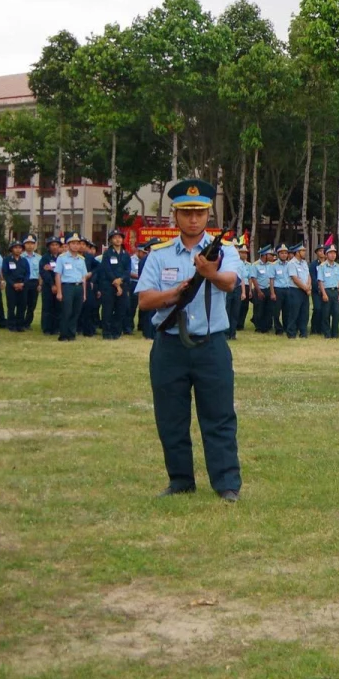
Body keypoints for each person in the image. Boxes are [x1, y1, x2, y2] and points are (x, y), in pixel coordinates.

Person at [135, 179, 244, 501]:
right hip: (170, 346)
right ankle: (180, 480)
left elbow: (230, 283)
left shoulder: (224, 251)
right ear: (176, 215)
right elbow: (145, 300)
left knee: (220, 416)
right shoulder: (159, 254)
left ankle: (226, 484)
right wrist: (174, 293)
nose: (193, 219)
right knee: (171, 417)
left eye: (199, 212)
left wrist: (209, 272)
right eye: (186, 212)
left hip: (211, 345)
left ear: (208, 214)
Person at [51, 234, 89, 341]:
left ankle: (72, 334)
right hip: (67, 286)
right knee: (66, 311)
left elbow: (84, 277)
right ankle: (63, 334)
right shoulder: (62, 258)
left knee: (76, 312)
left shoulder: (81, 259)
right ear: (68, 245)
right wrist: (59, 291)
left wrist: (84, 293)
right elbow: (58, 275)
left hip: (79, 287)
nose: (76, 246)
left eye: (78, 243)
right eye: (73, 243)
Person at [98, 229, 133, 340]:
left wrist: (121, 280)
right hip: (109, 285)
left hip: (123, 285)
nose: (118, 239)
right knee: (108, 309)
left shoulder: (126, 254)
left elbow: (128, 271)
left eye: (120, 237)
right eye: (115, 237)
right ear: (111, 240)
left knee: (121, 309)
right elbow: (107, 270)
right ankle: (107, 332)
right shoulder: (107, 254)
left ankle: (116, 331)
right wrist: (116, 282)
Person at [0, 238, 32, 335]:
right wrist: (13, 284)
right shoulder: (7, 260)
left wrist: (23, 283)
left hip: (23, 285)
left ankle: (20, 325)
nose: (18, 249)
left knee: (22, 306)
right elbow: (5, 273)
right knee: (11, 306)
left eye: (19, 248)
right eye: (15, 247)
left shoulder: (25, 261)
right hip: (11, 286)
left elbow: (28, 273)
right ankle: (11, 324)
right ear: (11, 249)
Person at [315, 245, 339, 338]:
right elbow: (320, 281)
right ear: (326, 255)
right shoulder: (322, 266)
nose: (333, 255)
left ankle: (335, 334)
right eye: (330, 253)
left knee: (336, 313)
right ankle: (327, 334)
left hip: (335, 291)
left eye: (334, 253)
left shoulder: (338, 266)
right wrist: (323, 294)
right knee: (326, 314)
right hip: (327, 291)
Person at [285, 244, 312, 337]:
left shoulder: (304, 263)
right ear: (297, 252)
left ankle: (303, 332)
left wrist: (308, 286)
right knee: (294, 312)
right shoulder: (291, 263)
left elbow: (308, 275)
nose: (305, 253)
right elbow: (295, 278)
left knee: (304, 313)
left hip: (305, 291)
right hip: (295, 290)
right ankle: (291, 332)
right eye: (303, 251)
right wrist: (305, 288)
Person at [38, 236, 61, 336]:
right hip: (48, 287)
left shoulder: (62, 257)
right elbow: (44, 272)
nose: (55, 247)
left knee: (58, 307)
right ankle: (46, 328)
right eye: (52, 245)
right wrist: (52, 284)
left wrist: (52, 269)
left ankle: (56, 328)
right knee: (47, 307)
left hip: (60, 286)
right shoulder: (45, 258)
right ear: (48, 246)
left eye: (56, 245)